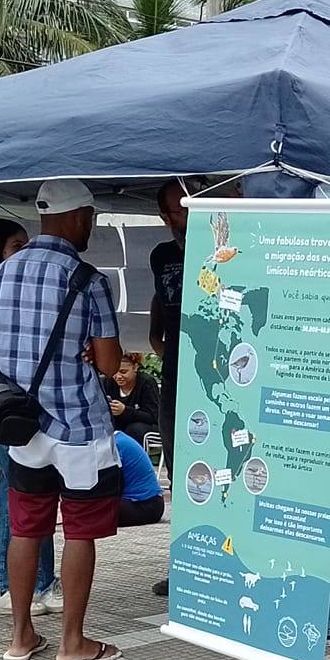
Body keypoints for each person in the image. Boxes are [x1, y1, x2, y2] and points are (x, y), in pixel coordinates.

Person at [0, 178, 125, 660]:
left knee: (26, 528)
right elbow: (109, 364)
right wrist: (93, 352)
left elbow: (2, 344)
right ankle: (73, 642)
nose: (91, 226)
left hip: (22, 426)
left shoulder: (3, 273)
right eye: (90, 216)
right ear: (75, 216)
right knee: (80, 532)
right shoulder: (87, 279)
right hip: (78, 426)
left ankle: (21, 637)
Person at [0, 218, 55, 614]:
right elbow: (0, 359)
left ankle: (41, 584)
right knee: (21, 495)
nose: (26, 253)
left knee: (32, 492)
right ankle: (4, 588)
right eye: (16, 246)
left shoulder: (14, 291)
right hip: (9, 410)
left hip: (22, 408)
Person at [149, 178, 190, 597]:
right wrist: (155, 334)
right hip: (176, 370)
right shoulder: (161, 255)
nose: (185, 215)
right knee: (181, 468)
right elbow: (160, 297)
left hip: (217, 370)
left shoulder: (224, 244)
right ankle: (186, 562)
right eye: (177, 208)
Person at [104, 354, 160, 448]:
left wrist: (125, 411)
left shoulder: (146, 383)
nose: (118, 376)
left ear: (135, 367)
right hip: (118, 426)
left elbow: (153, 416)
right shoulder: (108, 382)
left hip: (145, 427)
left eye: (123, 372)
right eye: (114, 372)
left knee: (134, 429)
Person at [113, 430, 165, 527]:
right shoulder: (118, 439)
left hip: (145, 505)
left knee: (91, 509)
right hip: (152, 503)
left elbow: (110, 486)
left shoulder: (114, 444)